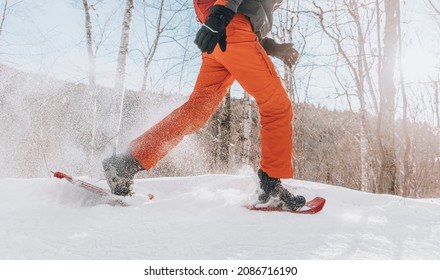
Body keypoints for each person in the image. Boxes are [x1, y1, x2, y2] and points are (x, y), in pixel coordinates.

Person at [103, 0, 306, 210]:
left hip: (220, 38)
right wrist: (221, 13)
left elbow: (248, 19)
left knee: (196, 111)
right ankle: (271, 184)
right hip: (229, 28)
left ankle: (126, 163)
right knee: (277, 106)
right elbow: (240, 22)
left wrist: (272, 47)